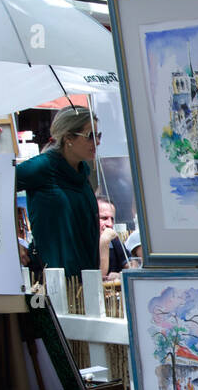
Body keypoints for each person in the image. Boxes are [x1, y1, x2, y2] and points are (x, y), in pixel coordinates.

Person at [15, 109, 101, 278]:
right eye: (90, 135)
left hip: (86, 279)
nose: (97, 142)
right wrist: (14, 242)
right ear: (68, 138)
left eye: (99, 135)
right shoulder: (42, 166)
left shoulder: (82, 171)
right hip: (52, 281)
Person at [96, 198, 129, 278]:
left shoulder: (114, 241)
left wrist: (119, 275)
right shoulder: (82, 244)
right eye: (104, 218)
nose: (110, 224)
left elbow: (132, 265)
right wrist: (104, 241)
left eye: (112, 219)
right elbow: (98, 279)